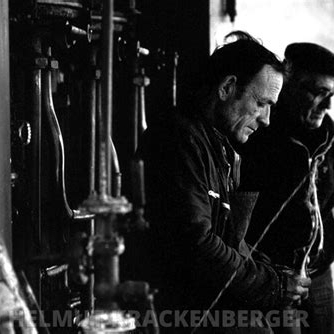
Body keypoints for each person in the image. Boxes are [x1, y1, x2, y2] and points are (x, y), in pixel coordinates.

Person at [129, 32, 310, 333]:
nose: (266, 119)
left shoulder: (218, 146)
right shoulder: (180, 140)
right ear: (227, 87)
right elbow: (197, 244)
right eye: (261, 103)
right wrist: (272, 285)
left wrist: (273, 273)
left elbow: (227, 237)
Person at [240, 42, 334, 334]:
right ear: (288, 82)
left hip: (318, 274)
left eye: (333, 95)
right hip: (275, 278)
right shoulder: (258, 132)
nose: (327, 106)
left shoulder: (329, 131)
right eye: (318, 93)